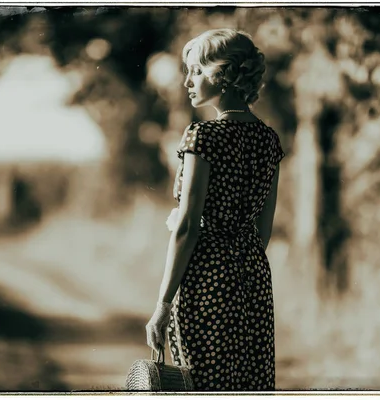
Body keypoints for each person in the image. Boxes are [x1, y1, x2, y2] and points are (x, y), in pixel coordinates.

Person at [145, 28, 285, 391]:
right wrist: (237, 264)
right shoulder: (269, 140)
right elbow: (263, 229)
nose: (188, 80)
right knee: (248, 383)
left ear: (222, 75)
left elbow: (188, 226)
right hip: (252, 276)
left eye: (196, 71)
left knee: (201, 384)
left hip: (205, 277)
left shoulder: (203, 137)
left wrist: (163, 304)